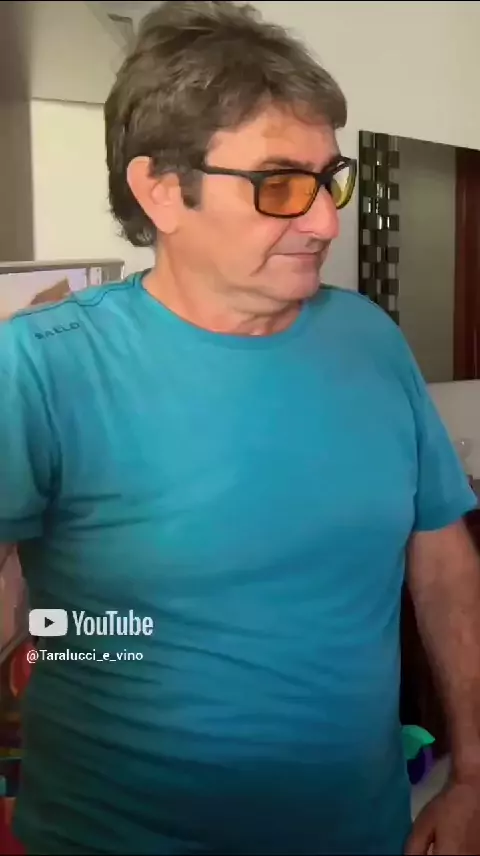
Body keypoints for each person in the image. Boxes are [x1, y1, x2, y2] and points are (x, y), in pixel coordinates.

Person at [2, 1, 480, 854]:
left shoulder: (370, 338)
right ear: (160, 190)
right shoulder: (39, 366)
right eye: (278, 185)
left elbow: (443, 566)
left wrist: (474, 773)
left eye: (329, 179)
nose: (326, 221)